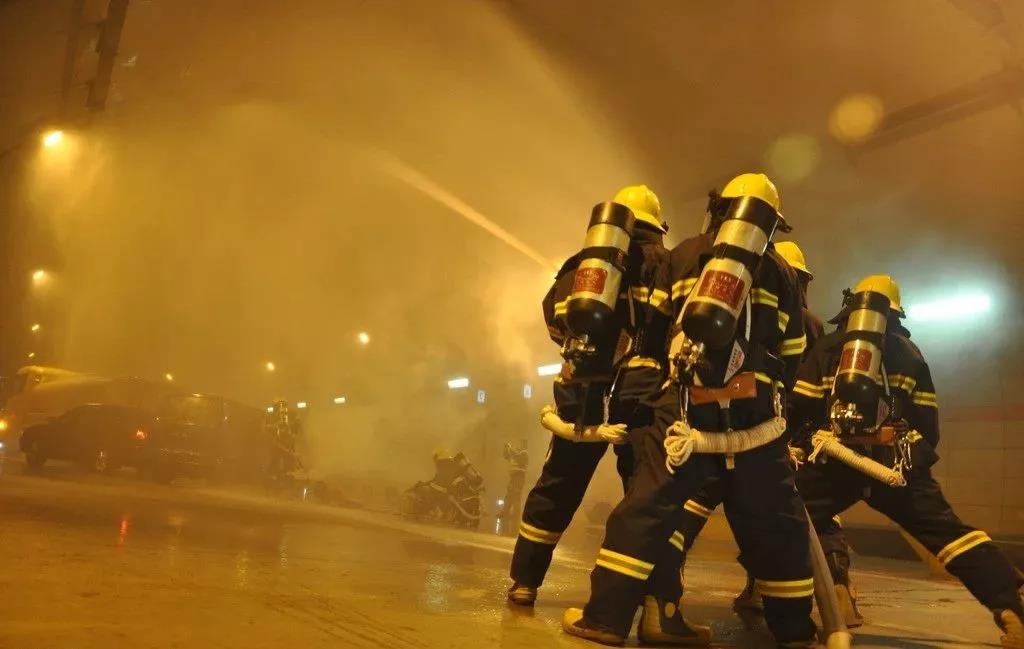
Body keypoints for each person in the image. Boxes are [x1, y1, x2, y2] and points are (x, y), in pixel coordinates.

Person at [563, 173, 819, 648]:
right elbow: (793, 352)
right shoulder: (782, 272)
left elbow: (654, 332)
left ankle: (605, 619)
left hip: (684, 406)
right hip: (758, 416)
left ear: (718, 209)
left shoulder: (682, 254)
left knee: (645, 510)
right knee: (776, 522)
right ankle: (794, 632)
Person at [508, 185, 709, 645]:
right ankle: (660, 607)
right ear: (657, 225)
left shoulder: (583, 264)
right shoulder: (668, 262)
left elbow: (555, 319)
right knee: (651, 503)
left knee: (557, 487)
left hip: (582, 394)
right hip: (641, 395)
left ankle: (525, 582)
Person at [790, 275, 1024, 649]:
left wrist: (804, 451)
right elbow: (927, 425)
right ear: (895, 313)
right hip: (894, 462)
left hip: (834, 461)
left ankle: (800, 614)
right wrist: (910, 463)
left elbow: (800, 410)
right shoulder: (909, 353)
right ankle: (1012, 610)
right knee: (951, 535)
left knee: (785, 518)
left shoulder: (828, 348)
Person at [674, 240, 864, 627]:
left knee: (702, 505)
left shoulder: (739, 308)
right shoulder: (812, 326)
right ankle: (836, 587)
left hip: (740, 426)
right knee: (795, 516)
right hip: (791, 436)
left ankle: (665, 586)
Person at [498, 439, 529, 523]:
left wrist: (510, 448)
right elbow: (507, 457)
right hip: (513, 478)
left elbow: (516, 456)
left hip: (518, 478)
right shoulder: (517, 453)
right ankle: (505, 512)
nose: (519, 445)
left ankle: (516, 516)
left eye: (521, 444)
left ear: (524, 445)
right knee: (509, 495)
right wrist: (506, 449)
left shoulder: (524, 454)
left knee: (516, 497)